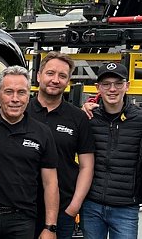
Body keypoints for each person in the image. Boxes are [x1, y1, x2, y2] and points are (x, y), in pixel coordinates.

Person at [27, 51, 94, 239]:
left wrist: (73, 208)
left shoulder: (78, 118)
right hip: (24, 209)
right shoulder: (21, 111)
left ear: (68, 81)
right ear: (39, 76)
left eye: (62, 76)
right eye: (50, 73)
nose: (55, 80)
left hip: (62, 210)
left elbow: (87, 166)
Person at [0, 66, 58, 239]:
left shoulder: (42, 132)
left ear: (28, 97)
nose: (15, 99)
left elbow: (50, 183)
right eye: (9, 92)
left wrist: (50, 227)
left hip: (23, 220)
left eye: (21, 92)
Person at [80, 62, 142, 239]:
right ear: (97, 87)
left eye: (118, 83)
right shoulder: (88, 118)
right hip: (92, 205)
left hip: (125, 208)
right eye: (106, 84)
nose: (112, 89)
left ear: (127, 86)